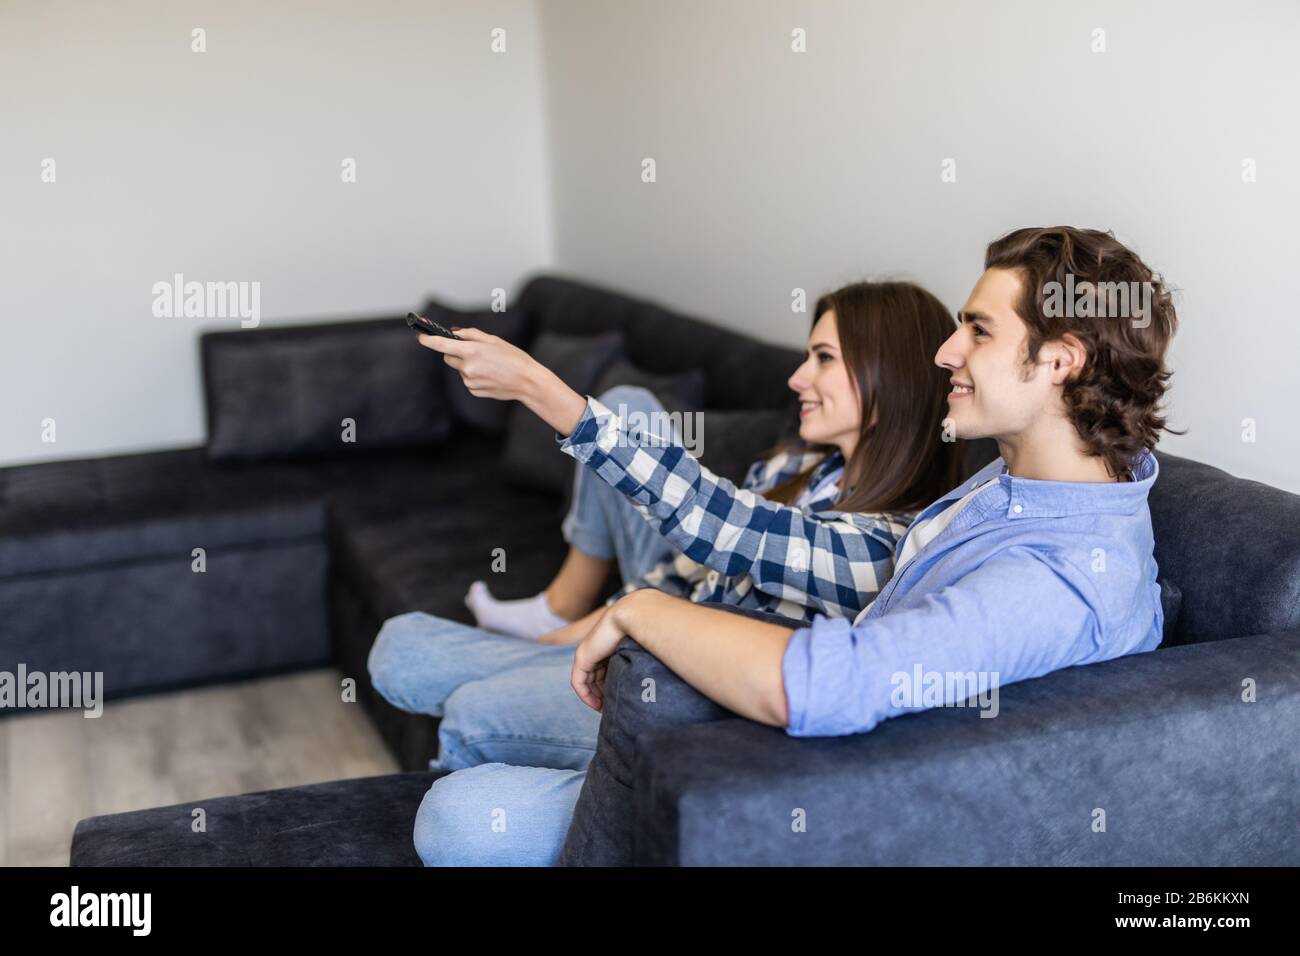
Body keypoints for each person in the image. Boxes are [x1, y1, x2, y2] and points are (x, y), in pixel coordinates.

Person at [412, 225, 1179, 866]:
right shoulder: (1017, 482)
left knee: (457, 811)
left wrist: (643, 609)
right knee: (419, 673)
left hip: (801, 782)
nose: (946, 353)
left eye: (977, 330)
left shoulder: (1061, 574)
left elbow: (824, 684)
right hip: (756, 736)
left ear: (1061, 359)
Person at [367, 281, 963, 777]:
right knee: (402, 648)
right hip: (645, 638)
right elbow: (682, 575)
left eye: (823, 359)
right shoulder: (793, 466)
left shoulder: (886, 546)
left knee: (473, 712)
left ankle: (524, 760)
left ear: (892, 378)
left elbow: (723, 527)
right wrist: (562, 643)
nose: (796, 379)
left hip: (680, 694)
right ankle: (553, 624)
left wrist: (535, 386)